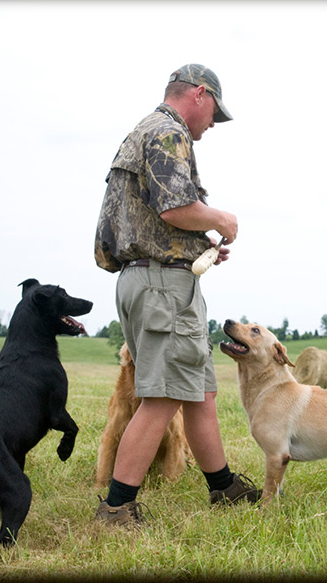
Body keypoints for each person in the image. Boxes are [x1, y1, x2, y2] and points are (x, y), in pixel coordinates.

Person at [92, 64, 261, 527]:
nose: (211, 129)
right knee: (164, 396)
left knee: (199, 392)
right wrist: (221, 221)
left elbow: (153, 218)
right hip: (162, 286)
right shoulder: (169, 132)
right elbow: (176, 206)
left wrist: (194, 247)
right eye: (214, 116)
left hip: (150, 278)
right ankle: (117, 506)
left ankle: (223, 486)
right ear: (199, 95)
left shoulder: (142, 131)